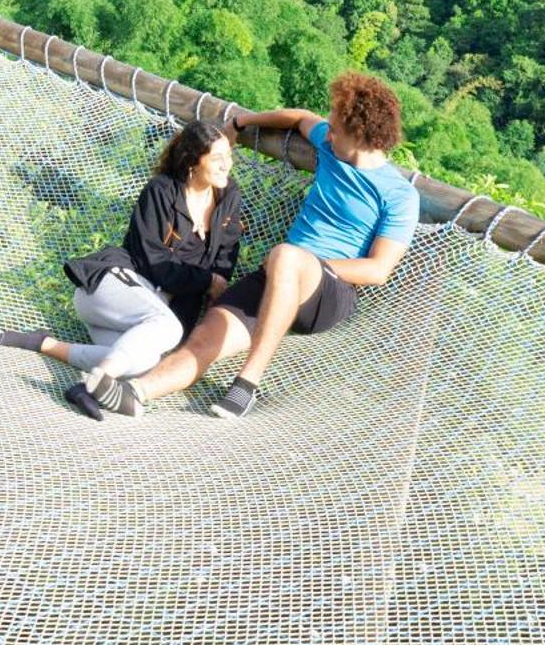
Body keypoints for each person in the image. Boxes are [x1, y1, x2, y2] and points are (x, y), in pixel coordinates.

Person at [76, 72, 420, 421]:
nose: (327, 135)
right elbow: (300, 118)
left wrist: (304, 264)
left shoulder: (399, 195)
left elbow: (379, 270)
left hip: (329, 291)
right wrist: (240, 122)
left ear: (361, 135)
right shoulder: (331, 151)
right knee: (204, 337)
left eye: (336, 131)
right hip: (278, 278)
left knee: (286, 255)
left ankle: (248, 383)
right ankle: (136, 393)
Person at [0, 119, 244, 418]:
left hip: (141, 316)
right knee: (168, 328)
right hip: (108, 289)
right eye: (217, 158)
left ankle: (43, 343)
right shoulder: (160, 192)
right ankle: (91, 385)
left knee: (149, 364)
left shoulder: (229, 196)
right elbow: (157, 265)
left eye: (228, 156)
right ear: (192, 161)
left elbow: (226, 255)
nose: (226, 165)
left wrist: (216, 284)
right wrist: (208, 280)